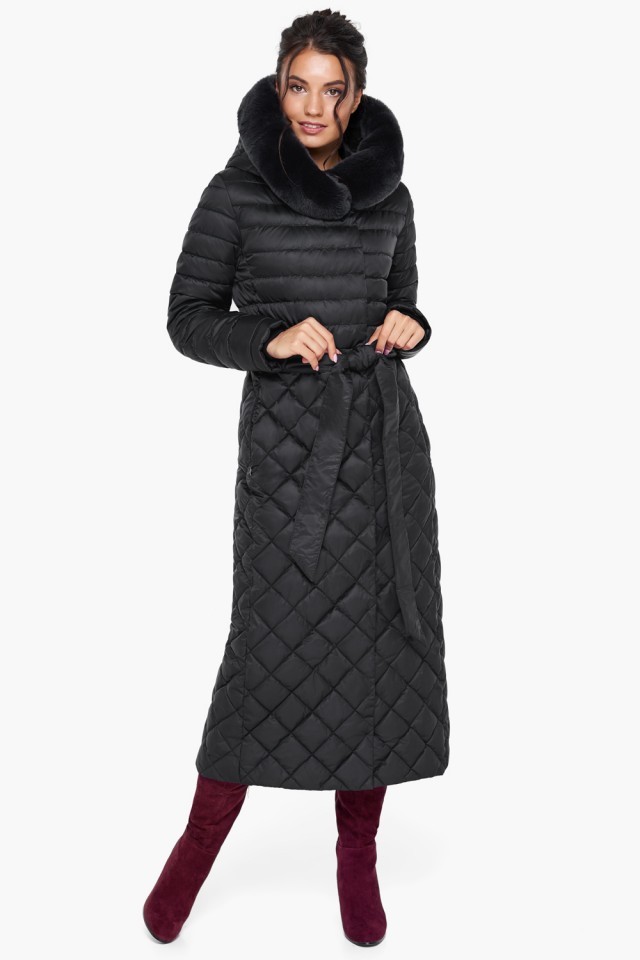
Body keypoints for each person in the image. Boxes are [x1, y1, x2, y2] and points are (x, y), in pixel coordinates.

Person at [143, 9, 450, 949]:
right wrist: (269, 339)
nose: (313, 106)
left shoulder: (392, 196)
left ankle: (356, 854)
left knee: (380, 654)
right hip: (288, 460)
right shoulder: (236, 192)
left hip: (386, 451)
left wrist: (413, 326)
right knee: (267, 653)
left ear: (356, 99)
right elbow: (187, 318)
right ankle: (197, 847)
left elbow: (402, 303)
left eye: (332, 89)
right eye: (297, 86)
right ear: (278, 87)